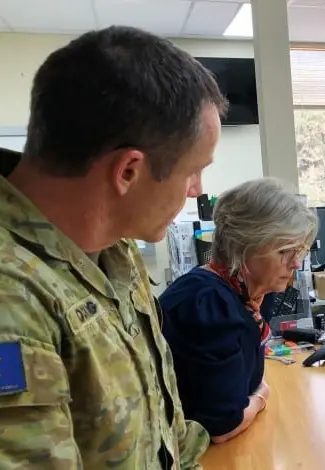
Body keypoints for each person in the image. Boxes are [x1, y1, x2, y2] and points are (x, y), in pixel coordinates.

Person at [0, 26, 228, 468]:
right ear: (128, 172)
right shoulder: (13, 299)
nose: (197, 190)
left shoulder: (114, 252)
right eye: (192, 172)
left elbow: (169, 439)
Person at [159, 178, 318, 443]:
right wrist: (260, 398)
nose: (296, 263)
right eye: (286, 251)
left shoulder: (250, 292)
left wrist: (252, 396)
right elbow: (222, 426)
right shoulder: (208, 304)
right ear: (244, 249)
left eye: (300, 250)